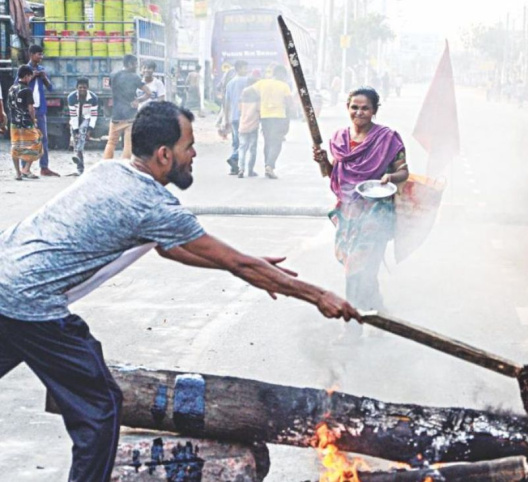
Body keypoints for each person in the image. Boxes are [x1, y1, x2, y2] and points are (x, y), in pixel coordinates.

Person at [0, 101, 360, 482]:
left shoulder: (110, 172)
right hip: (32, 302)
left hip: (3, 278)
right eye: (189, 146)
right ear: (163, 154)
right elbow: (235, 262)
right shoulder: (153, 206)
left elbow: (172, 248)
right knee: (101, 407)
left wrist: (247, 263)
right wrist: (319, 296)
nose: (194, 154)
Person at [313, 87, 409, 333]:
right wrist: (323, 161)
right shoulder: (340, 140)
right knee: (363, 273)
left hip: (377, 213)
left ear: (374, 110)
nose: (359, 112)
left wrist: (390, 175)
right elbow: (332, 174)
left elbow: (403, 172)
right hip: (349, 213)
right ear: (348, 108)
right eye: (354, 107)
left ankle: (352, 330)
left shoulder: (388, 138)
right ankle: (383, 317)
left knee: (355, 269)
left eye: (365, 107)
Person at [16, 45, 58, 177]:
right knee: (27, 139)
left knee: (43, 139)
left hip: (40, 109)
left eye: (42, 54)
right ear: (31, 55)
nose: (41, 57)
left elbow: (51, 88)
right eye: (39, 54)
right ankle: (24, 168)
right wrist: (33, 76)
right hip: (27, 110)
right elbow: (17, 86)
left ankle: (44, 167)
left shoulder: (42, 69)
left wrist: (44, 77)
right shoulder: (24, 69)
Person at [103, 54, 151, 160]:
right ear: (129, 64)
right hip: (130, 115)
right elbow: (148, 93)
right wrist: (138, 100)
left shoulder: (113, 75)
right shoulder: (135, 77)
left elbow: (111, 88)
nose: (136, 67)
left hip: (116, 115)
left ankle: (106, 164)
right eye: (135, 64)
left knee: (111, 142)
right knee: (128, 143)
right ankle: (125, 165)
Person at [250, 65, 291, 179]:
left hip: (265, 117)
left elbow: (246, 92)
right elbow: (289, 102)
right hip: (279, 117)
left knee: (268, 142)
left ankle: (267, 165)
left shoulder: (263, 83)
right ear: (282, 74)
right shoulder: (284, 86)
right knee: (276, 143)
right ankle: (270, 166)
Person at [8, 65, 42, 181]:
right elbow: (31, 108)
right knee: (36, 143)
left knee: (15, 147)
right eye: (30, 76)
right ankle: (26, 169)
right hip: (26, 123)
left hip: (14, 123)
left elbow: (10, 106)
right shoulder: (27, 90)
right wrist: (34, 121)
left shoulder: (12, 88)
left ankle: (18, 173)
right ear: (27, 76)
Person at [221, 60, 249, 175]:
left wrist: (226, 119)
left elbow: (226, 103)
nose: (247, 70)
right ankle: (234, 157)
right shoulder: (247, 81)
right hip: (245, 115)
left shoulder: (230, 83)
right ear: (239, 69)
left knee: (236, 142)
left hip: (233, 117)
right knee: (245, 142)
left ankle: (234, 168)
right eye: (245, 68)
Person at [67, 77, 99, 175]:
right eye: (80, 87)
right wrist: (75, 131)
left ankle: (79, 164)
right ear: (77, 88)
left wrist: (90, 129)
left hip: (86, 118)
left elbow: (94, 115)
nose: (82, 90)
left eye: (84, 88)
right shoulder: (71, 97)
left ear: (88, 88)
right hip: (75, 118)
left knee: (82, 133)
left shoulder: (93, 98)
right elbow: (73, 115)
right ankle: (80, 168)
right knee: (76, 140)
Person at [236, 72, 262, 178]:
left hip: (243, 126)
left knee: (242, 148)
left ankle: (240, 169)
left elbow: (239, 110)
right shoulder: (257, 98)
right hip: (253, 126)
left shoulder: (242, 98)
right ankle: (250, 170)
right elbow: (259, 111)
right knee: (252, 149)